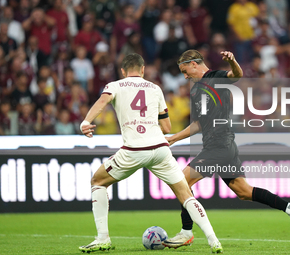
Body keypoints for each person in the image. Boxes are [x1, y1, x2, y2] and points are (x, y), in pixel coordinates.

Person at [78, 53, 223, 253]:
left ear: (123, 71)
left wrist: (86, 121)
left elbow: (102, 102)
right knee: (185, 195)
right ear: (143, 69)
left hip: (134, 150)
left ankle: (102, 238)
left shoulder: (115, 86)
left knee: (98, 181)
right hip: (160, 149)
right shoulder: (155, 88)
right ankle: (214, 240)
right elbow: (166, 126)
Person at [162, 49, 290, 249]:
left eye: (185, 70)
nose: (185, 76)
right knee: (244, 191)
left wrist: (233, 61)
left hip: (219, 144)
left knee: (182, 181)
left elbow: (236, 75)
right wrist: (174, 138)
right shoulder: (196, 90)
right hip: (223, 145)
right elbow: (198, 124)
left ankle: (186, 232)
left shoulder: (214, 78)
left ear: (194, 64)